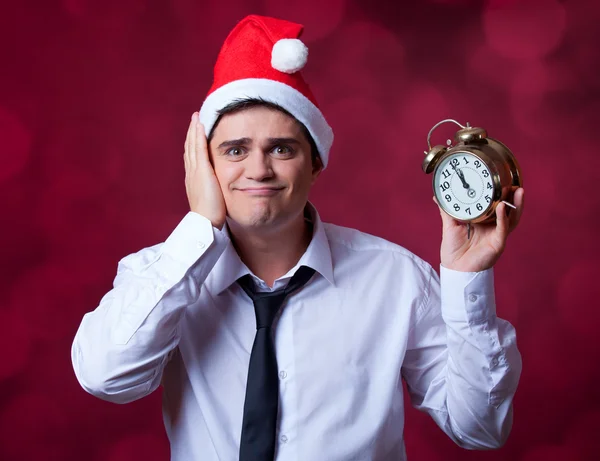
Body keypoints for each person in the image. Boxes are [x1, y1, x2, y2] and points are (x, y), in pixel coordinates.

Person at [71, 14, 524, 461]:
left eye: (282, 149)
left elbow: (479, 428)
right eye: (234, 150)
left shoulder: (395, 277)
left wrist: (468, 283)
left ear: (316, 163)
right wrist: (199, 230)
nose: (259, 170)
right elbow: (107, 376)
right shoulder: (161, 274)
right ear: (203, 166)